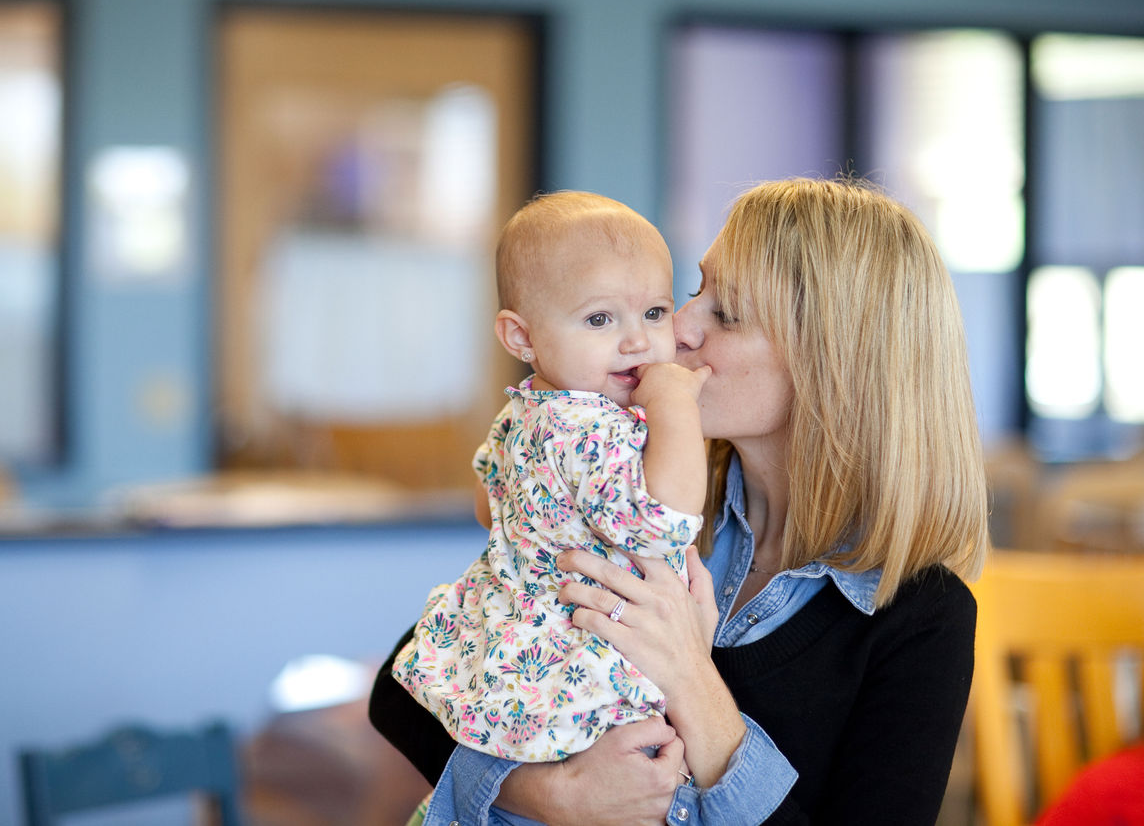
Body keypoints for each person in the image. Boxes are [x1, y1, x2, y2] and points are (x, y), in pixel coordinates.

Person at [370, 176, 990, 826]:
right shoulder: (624, 487)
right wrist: (554, 793)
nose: (679, 327)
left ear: (831, 363)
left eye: (726, 313)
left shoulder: (925, 618)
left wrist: (692, 679)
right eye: (695, 290)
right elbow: (404, 690)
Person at [391, 190, 711, 771]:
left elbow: (489, 501)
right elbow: (664, 524)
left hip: (512, 632)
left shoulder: (526, 409)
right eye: (599, 318)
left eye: (655, 312)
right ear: (522, 338)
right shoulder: (591, 425)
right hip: (578, 655)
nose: (637, 340)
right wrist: (674, 408)